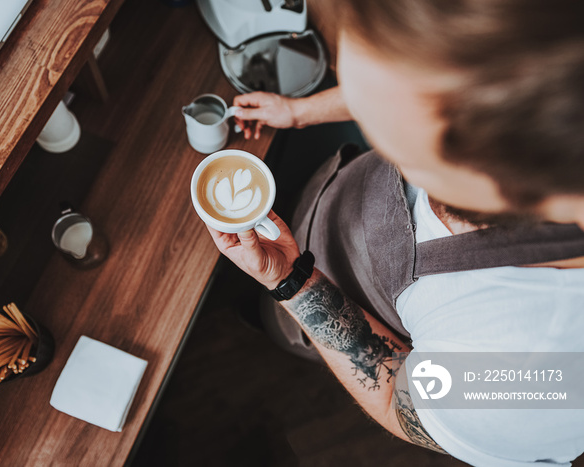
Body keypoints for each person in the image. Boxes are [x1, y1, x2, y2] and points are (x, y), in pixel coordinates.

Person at [199, 1, 584, 465]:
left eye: (395, 145)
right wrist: (299, 112)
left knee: (271, 322)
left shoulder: (538, 377)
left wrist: (292, 284)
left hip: (325, 299)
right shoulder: (550, 50)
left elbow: (396, 402)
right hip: (325, 211)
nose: (377, 141)